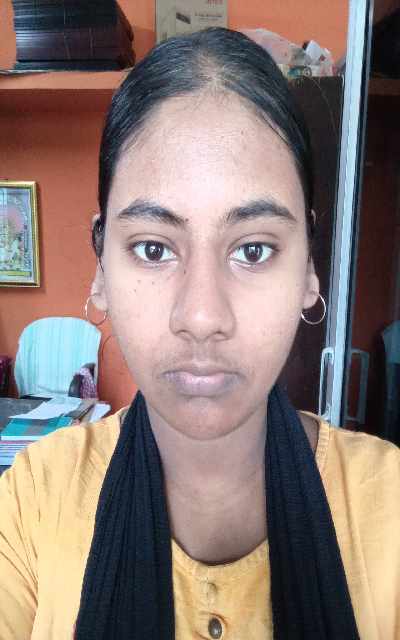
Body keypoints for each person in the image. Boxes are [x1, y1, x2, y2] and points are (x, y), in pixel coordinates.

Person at [0, 27, 399, 640]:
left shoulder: (388, 505)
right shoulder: (32, 500)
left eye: (254, 249)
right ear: (102, 268)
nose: (203, 316)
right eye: (154, 248)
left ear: (308, 271)